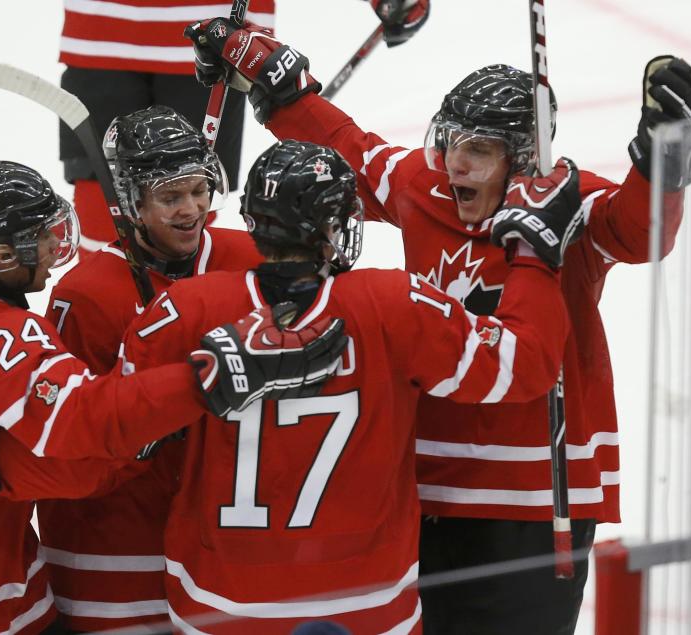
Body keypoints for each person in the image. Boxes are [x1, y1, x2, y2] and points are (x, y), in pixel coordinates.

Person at [185, 20, 691, 634]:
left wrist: (660, 160)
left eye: (478, 150)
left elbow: (637, 228)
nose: (454, 164)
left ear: (521, 157)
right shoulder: (426, 188)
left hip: (532, 503)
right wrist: (275, 84)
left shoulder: (566, 201)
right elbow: (355, 152)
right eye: (450, 141)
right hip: (426, 490)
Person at [0, 159, 346, 635]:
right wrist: (211, 378)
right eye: (40, 238)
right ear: (3, 256)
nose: (57, 248)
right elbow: (90, 430)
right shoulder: (0, 341)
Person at [118, 139, 581, 633]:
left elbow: (120, 437)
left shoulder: (182, 309)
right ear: (332, 226)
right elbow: (524, 365)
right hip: (367, 605)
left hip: (218, 602)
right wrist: (533, 254)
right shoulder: (394, 304)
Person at [36, 105, 265, 632]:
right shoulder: (86, 294)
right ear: (130, 202)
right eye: (170, 197)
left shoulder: (249, 257)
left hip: (224, 535)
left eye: (199, 191)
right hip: (115, 544)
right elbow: (67, 435)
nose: (192, 210)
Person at [59, 0, 429, 257]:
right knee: (104, 196)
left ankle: (185, 321)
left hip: (215, 41)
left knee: (191, 193)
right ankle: (103, 328)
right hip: (110, 34)